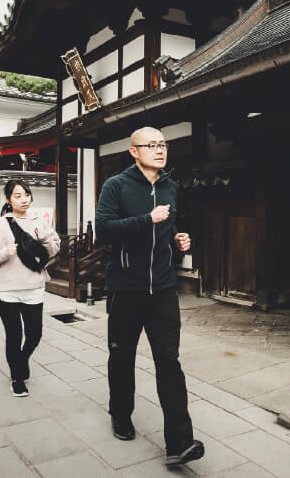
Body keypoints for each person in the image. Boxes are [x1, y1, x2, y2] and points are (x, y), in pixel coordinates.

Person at [95, 127, 204, 467]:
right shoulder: (116, 186)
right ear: (134, 151)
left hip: (164, 290)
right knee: (122, 357)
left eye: (163, 145)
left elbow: (167, 229)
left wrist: (180, 240)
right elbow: (104, 230)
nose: (160, 150)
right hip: (127, 289)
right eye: (152, 145)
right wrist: (146, 218)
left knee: (170, 364)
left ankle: (179, 443)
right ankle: (121, 414)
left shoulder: (171, 186)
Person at [0, 180, 60, 397]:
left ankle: (21, 360)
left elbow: (54, 249)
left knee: (35, 333)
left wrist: (44, 238)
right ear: (8, 200)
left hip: (34, 286)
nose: (23, 199)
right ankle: (17, 377)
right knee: (14, 335)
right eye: (17, 196)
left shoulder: (40, 222)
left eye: (26, 194)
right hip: (6, 289)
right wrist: (6, 252)